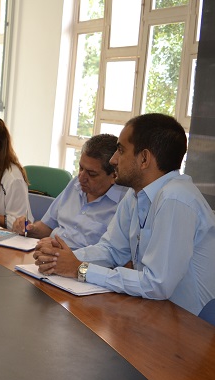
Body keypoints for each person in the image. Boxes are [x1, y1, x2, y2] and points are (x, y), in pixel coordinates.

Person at [33, 113, 215, 316]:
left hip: (193, 325)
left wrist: (80, 269)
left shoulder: (175, 198)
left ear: (144, 158)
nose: (113, 160)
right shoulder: (135, 194)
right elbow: (112, 250)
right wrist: (60, 257)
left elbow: (156, 284)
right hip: (157, 311)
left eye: (120, 150)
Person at [11, 134, 128, 248]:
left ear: (114, 175)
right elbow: (46, 227)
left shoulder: (125, 203)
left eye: (91, 174)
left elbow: (111, 257)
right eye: (81, 168)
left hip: (79, 264)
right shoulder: (76, 184)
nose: (81, 177)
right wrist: (28, 228)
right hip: (48, 254)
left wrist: (64, 254)